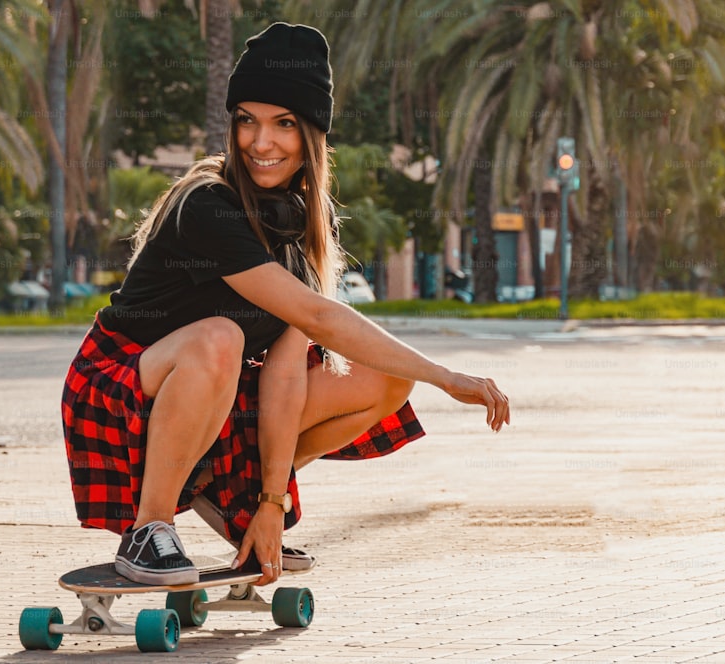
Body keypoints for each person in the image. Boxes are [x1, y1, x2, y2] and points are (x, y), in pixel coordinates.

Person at [61, 22, 510, 587]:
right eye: (246, 120)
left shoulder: (293, 235)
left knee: (385, 378)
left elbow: (284, 373)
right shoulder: (207, 205)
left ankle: (241, 503)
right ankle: (149, 532)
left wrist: (271, 502)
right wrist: (447, 376)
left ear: (311, 137)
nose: (260, 141)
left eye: (284, 124)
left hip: (214, 399)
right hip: (119, 385)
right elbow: (323, 317)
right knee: (220, 336)